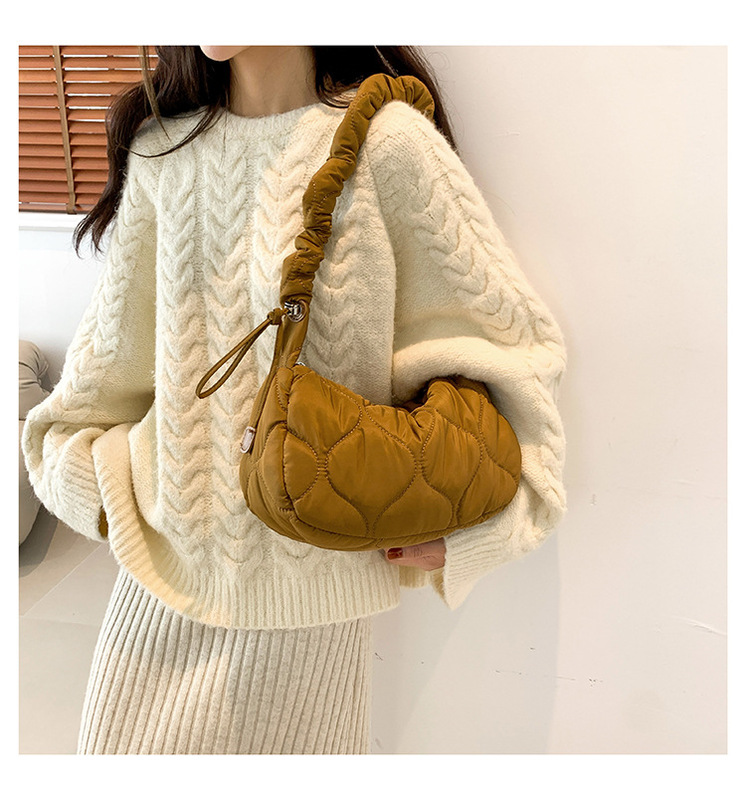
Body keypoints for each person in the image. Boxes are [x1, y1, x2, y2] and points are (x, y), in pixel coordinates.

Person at [21, 45, 568, 754]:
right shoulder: (163, 158)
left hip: (314, 638)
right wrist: (121, 496)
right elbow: (78, 408)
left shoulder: (387, 144)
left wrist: (478, 532)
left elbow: (517, 357)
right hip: (153, 611)